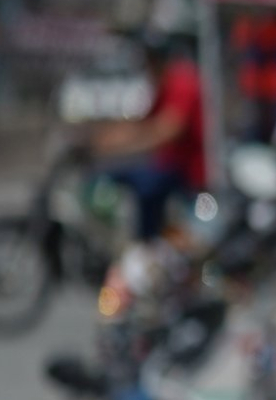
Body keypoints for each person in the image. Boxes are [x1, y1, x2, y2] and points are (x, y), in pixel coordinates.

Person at [86, 31, 205, 243]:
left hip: (187, 173)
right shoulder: (163, 84)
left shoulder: (182, 81)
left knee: (143, 185)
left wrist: (121, 147)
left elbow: (167, 129)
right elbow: (141, 123)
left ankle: (147, 244)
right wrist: (99, 140)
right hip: (167, 167)